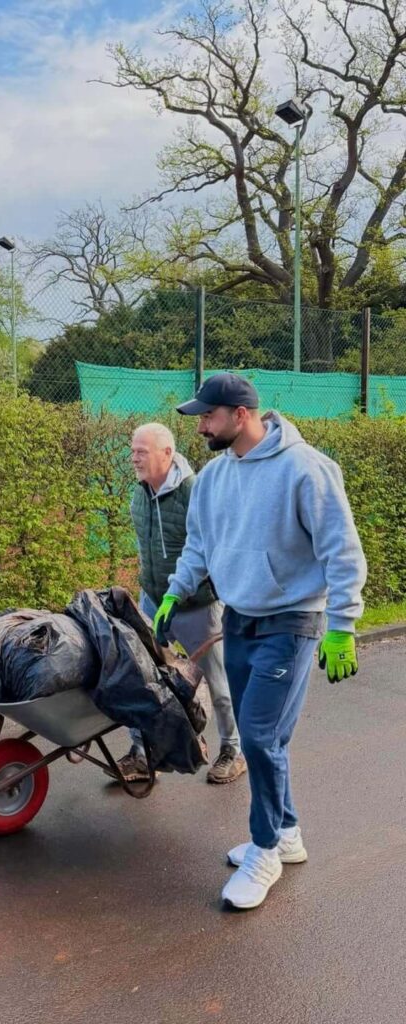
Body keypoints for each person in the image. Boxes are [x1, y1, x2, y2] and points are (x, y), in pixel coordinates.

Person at [153, 373, 366, 910]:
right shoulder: (215, 477)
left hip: (292, 621)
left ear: (241, 414)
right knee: (265, 739)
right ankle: (286, 832)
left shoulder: (306, 468)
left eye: (208, 416)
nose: (200, 426)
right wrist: (174, 595)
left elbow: (343, 553)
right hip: (240, 616)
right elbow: (199, 545)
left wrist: (342, 626)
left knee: (258, 737)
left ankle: (265, 849)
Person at [113, 422, 246, 785]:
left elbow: (219, 546)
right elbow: (146, 548)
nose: (134, 457)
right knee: (140, 677)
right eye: (133, 449)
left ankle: (233, 750)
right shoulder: (140, 494)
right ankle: (142, 753)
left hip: (197, 606)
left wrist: (222, 595)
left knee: (218, 682)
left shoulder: (195, 492)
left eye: (142, 451)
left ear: (167, 454)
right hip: (153, 600)